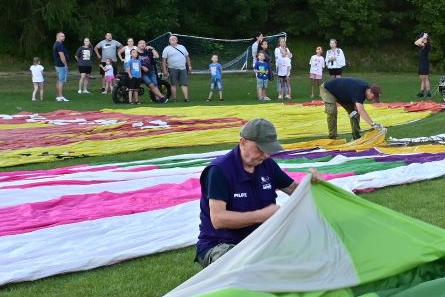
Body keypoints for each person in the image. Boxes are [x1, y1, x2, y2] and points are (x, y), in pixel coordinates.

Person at [196, 119, 316, 267]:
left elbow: (294, 190)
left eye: (269, 150)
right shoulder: (219, 170)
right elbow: (218, 219)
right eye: (260, 149)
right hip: (221, 244)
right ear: (243, 142)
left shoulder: (267, 165)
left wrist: (311, 182)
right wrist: (261, 216)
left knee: (307, 249)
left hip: (260, 240)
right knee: (248, 266)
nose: (266, 155)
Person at [321, 76, 384, 140]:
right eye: (373, 97)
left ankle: (356, 137)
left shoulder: (365, 90)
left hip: (342, 94)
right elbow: (361, 110)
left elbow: (357, 109)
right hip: (328, 89)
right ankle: (332, 137)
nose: (373, 100)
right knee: (332, 110)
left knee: (355, 113)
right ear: (369, 91)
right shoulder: (359, 90)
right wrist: (373, 124)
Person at [162, 35, 192, 102]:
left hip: (183, 68)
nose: (173, 40)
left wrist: (190, 66)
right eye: (171, 39)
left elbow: (187, 57)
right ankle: (174, 99)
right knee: (173, 84)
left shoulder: (182, 47)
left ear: (177, 40)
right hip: (172, 68)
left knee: (184, 83)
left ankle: (186, 98)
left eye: (174, 39)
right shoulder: (166, 49)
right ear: (169, 41)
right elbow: (164, 61)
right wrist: (165, 70)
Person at [52, 31, 69, 102]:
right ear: (58, 37)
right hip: (61, 66)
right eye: (62, 36)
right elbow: (62, 56)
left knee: (59, 81)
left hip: (58, 65)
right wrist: (65, 65)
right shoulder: (59, 45)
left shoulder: (57, 44)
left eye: (64, 36)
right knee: (61, 81)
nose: (64, 37)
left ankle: (58, 96)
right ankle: (61, 96)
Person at [415, 32, 432, 97]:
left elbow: (417, 43)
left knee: (426, 78)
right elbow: (416, 43)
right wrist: (423, 37)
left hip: (425, 63)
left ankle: (428, 93)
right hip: (421, 62)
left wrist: (424, 37)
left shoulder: (427, 44)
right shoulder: (422, 44)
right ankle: (421, 92)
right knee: (422, 78)